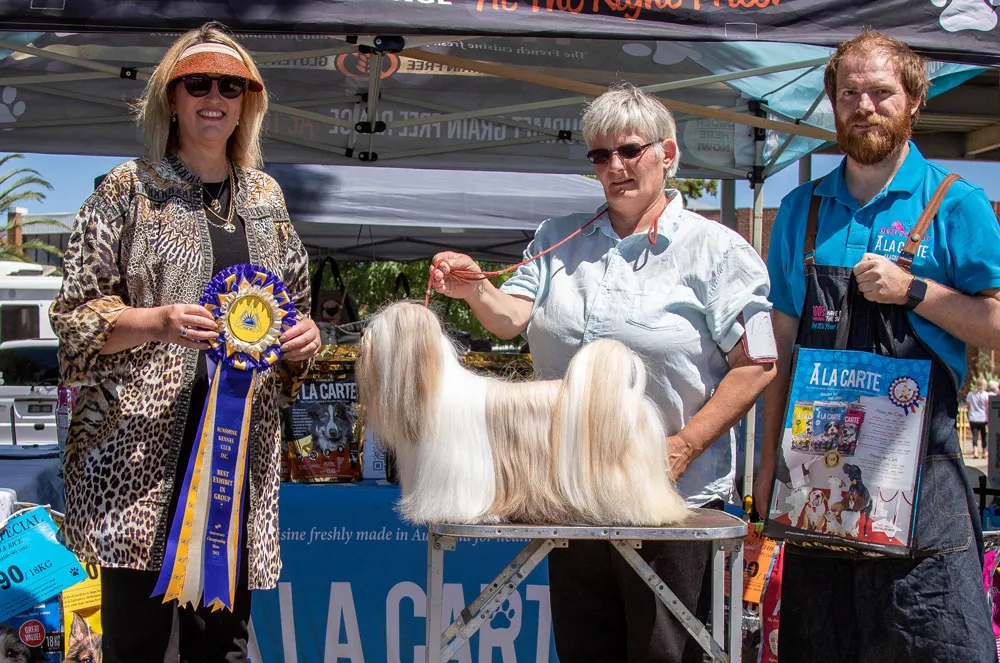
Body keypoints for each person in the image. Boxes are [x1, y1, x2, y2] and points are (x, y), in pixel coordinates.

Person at [431, 81, 775, 663]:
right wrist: (475, 288)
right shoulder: (556, 238)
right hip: (572, 499)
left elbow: (759, 363)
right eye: (600, 155)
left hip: (671, 504)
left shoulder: (719, 251)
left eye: (630, 150)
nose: (615, 166)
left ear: (668, 155)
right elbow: (510, 320)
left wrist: (685, 445)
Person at [50, 23, 320, 663]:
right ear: (171, 97)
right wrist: (156, 321)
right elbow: (72, 320)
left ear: (248, 102)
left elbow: (296, 312)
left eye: (232, 85)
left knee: (222, 649)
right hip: (138, 467)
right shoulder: (126, 190)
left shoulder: (266, 198)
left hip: (236, 469)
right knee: (138, 650)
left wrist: (302, 341)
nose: (214, 96)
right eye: (196, 82)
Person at [756, 30, 1000, 662]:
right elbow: (779, 352)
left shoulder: (956, 204)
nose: (864, 106)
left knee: (934, 647)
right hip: (818, 491)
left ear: (914, 99)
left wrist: (915, 290)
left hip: (923, 486)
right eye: (849, 93)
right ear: (833, 102)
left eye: (881, 93)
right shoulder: (801, 209)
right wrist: (764, 480)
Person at [968, 378, 991, 459]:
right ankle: (984, 451)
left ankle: (975, 451)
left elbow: (968, 406)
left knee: (974, 435)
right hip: (983, 418)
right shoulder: (986, 395)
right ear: (983, 385)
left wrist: (969, 413)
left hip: (973, 418)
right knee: (984, 435)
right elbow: (987, 407)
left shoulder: (970, 394)